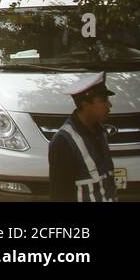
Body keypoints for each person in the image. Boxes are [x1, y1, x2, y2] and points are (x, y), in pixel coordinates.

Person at [49, 73, 117, 202]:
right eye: (103, 101)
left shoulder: (100, 132)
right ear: (86, 105)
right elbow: (59, 194)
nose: (109, 105)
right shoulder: (63, 141)